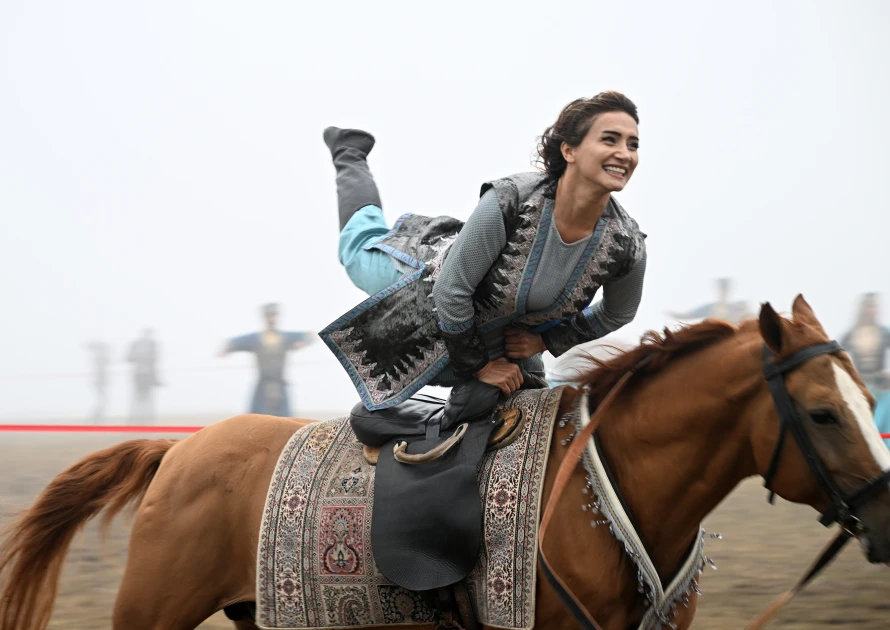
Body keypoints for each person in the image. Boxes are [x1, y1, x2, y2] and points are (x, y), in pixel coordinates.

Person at [320, 91, 647, 411]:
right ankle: (350, 153)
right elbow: (450, 289)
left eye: (632, 145)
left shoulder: (627, 245)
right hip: (423, 293)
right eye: (610, 140)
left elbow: (618, 312)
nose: (624, 154)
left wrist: (547, 341)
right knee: (357, 248)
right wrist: (479, 367)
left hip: (503, 350)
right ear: (569, 150)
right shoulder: (512, 198)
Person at [220, 303, 313, 417]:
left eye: (273, 315)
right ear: (265, 318)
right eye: (269, 316)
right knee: (255, 418)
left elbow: (310, 335)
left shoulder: (285, 337)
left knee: (285, 420)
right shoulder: (255, 339)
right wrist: (226, 350)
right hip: (262, 386)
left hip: (280, 384)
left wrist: (302, 342)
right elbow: (232, 343)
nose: (271, 319)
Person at [841, 293, 890, 439]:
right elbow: (838, 356)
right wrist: (848, 374)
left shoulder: (883, 333)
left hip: (882, 386)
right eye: (869, 306)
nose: (872, 310)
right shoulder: (851, 335)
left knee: (884, 422)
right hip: (859, 385)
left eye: (874, 307)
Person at [667, 277, 752, 324]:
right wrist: (673, 314)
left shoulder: (739, 307)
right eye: (722, 288)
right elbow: (689, 315)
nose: (723, 291)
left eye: (725, 288)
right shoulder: (711, 307)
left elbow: (751, 318)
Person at [126, 329, 161, 424]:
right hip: (139, 375)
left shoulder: (152, 345)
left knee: (148, 398)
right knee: (138, 398)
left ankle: (148, 420)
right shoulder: (136, 344)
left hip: (148, 376)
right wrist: (140, 357)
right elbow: (128, 358)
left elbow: (155, 360)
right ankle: (135, 420)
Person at [84, 340, 111, 422]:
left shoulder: (98, 356)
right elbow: (107, 363)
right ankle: (96, 417)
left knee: (102, 400)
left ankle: (97, 417)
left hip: (100, 380)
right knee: (102, 400)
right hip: (100, 380)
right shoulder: (100, 357)